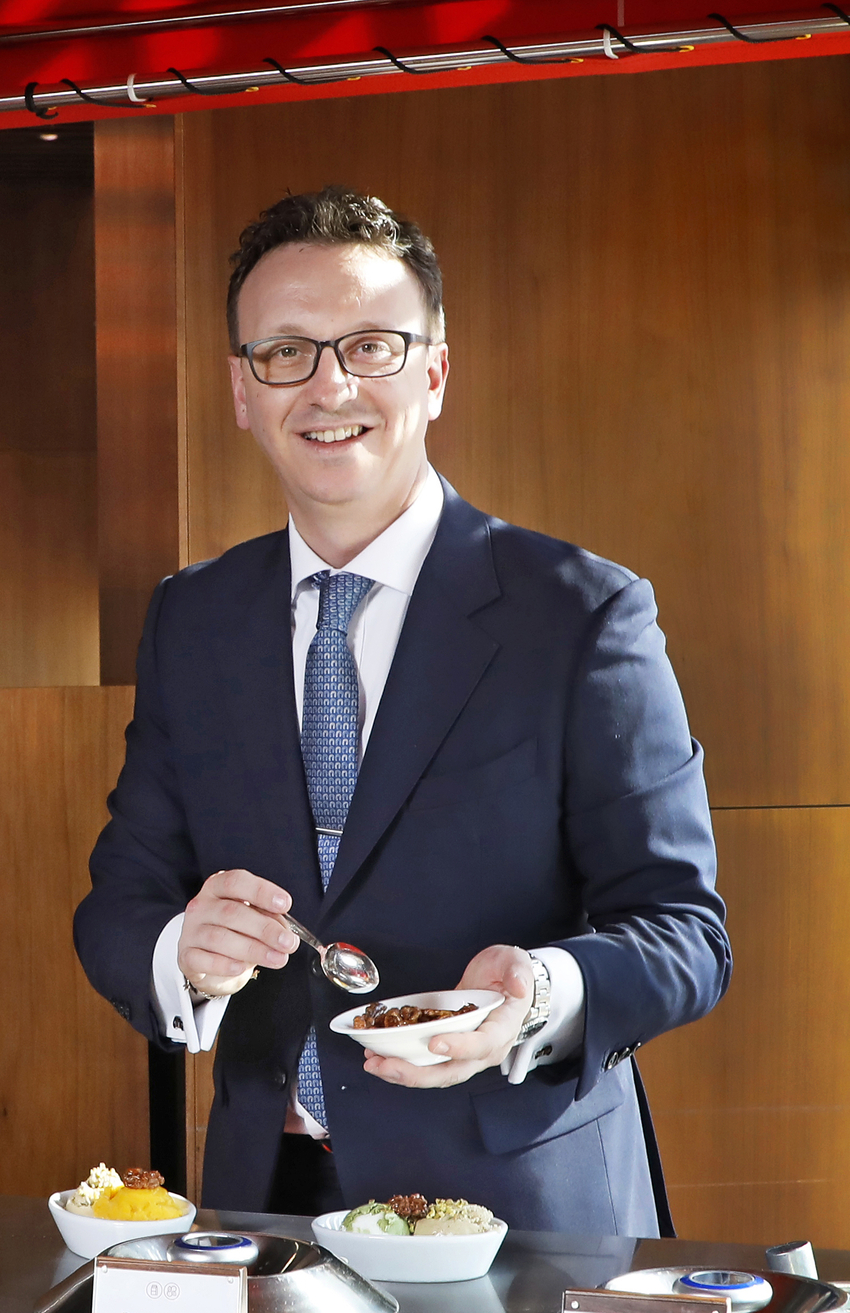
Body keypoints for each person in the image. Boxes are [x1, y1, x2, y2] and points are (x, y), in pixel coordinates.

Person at [75, 186, 730, 1233]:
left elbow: (685, 933)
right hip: (265, 1204)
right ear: (242, 390)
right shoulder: (191, 619)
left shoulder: (580, 612)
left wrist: (543, 989)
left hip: (523, 1213)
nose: (329, 383)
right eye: (285, 352)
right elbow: (121, 901)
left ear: (433, 371)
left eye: (371, 345)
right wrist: (177, 953)